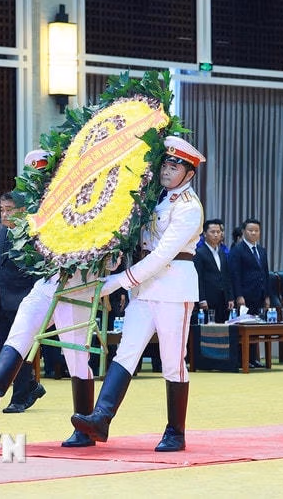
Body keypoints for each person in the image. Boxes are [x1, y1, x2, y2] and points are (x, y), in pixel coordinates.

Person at [71, 137, 206, 451]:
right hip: (144, 288)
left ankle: (175, 432)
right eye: (165, 165)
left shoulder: (188, 207)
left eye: (175, 167)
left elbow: (162, 255)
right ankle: (101, 418)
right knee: (126, 352)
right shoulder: (156, 198)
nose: (167, 171)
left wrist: (119, 281)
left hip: (173, 288)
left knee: (173, 361)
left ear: (189, 173)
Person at [0, 154, 99, 449]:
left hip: (74, 283)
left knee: (75, 355)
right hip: (46, 284)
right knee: (19, 333)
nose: (37, 179)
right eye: (33, 173)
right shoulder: (33, 208)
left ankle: (85, 425)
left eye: (42, 172)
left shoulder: (77, 198)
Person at [0, 193, 47, 416]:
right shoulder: (1, 233)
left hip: (23, 299)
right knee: (3, 348)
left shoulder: (31, 233)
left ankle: (19, 398)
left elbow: (37, 270)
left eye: (9, 209)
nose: (4, 214)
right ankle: (31, 385)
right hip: (0, 301)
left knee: (20, 350)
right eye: (2, 209)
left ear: (21, 210)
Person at [228, 217, 271, 367]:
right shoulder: (237, 250)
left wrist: (267, 296)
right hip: (245, 296)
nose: (253, 233)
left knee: (255, 328)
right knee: (244, 328)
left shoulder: (261, 250)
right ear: (243, 231)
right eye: (250, 230)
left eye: (256, 230)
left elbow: (265, 274)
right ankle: (242, 359)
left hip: (259, 294)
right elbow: (235, 274)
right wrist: (239, 295)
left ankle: (253, 358)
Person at [194, 218, 233, 324]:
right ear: (204, 234)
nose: (216, 235)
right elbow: (198, 278)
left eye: (218, 232)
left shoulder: (222, 252)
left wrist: (230, 297)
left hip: (223, 299)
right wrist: (201, 299)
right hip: (208, 299)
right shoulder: (199, 253)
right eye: (212, 232)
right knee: (209, 329)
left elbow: (226, 276)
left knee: (223, 327)